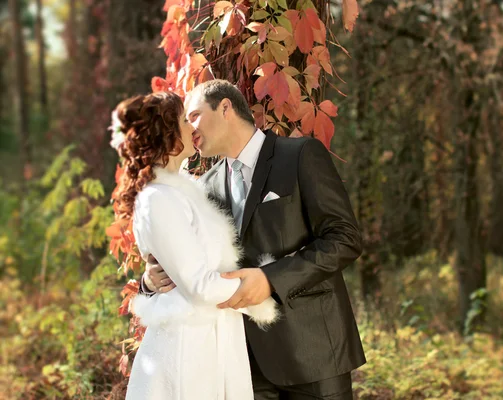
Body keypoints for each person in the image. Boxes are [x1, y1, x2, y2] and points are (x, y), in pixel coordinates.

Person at [143, 80, 366, 399]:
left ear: (225, 107)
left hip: (314, 353)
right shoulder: (203, 188)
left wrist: (271, 280)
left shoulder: (300, 155)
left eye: (194, 115)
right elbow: (190, 265)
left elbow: (344, 238)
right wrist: (149, 282)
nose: (189, 127)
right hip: (241, 364)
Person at [112, 91, 279, 400]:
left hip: (216, 340)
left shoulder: (189, 191)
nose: (192, 127)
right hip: (188, 350)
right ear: (167, 134)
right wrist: (262, 289)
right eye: (183, 120)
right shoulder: (157, 199)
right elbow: (200, 284)